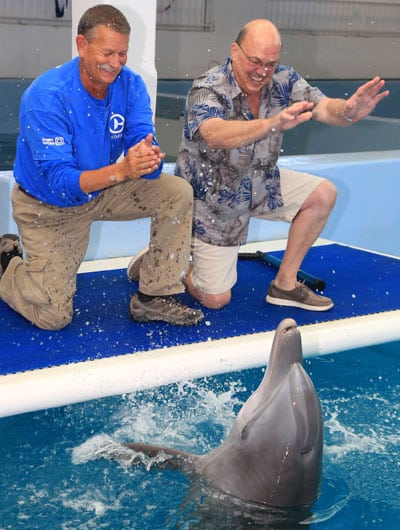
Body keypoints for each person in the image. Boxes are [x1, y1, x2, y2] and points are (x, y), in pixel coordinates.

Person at [0, 4, 204, 329]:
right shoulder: (47, 96)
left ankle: (153, 296)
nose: (116, 63)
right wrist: (124, 170)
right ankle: (8, 262)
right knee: (52, 317)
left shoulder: (131, 85)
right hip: (48, 206)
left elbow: (141, 145)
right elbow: (61, 182)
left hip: (103, 189)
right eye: (107, 52)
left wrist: (146, 158)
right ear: (81, 45)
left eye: (122, 54)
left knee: (176, 192)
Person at [173, 19, 389, 311]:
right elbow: (214, 134)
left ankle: (285, 284)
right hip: (211, 203)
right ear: (234, 50)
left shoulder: (285, 80)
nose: (262, 72)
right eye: (255, 61)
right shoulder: (207, 87)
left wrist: (347, 110)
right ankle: (169, 264)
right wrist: (272, 124)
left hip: (262, 184)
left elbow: (324, 108)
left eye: (270, 64)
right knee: (216, 300)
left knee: (323, 194)